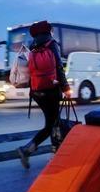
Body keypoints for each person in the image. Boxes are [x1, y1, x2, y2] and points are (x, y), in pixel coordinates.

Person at [17, 20, 70, 168]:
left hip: (36, 91)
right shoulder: (52, 44)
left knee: (53, 122)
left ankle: (50, 152)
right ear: (48, 32)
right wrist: (65, 87)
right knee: (52, 124)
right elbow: (59, 67)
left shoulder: (33, 46)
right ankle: (29, 150)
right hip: (51, 91)